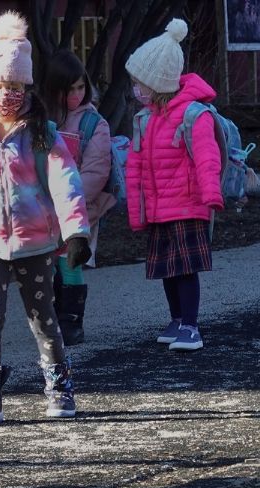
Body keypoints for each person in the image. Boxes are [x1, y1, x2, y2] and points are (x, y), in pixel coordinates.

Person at [0, 12, 92, 426]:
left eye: (13, 87)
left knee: (42, 317)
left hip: (37, 243)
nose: (5, 95)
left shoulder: (42, 132)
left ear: (26, 88)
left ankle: (59, 387)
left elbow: (65, 181)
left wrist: (77, 231)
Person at [125, 19, 223, 351]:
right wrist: (136, 209)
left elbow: (207, 156)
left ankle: (191, 325)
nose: (136, 90)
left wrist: (211, 193)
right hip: (159, 208)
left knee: (185, 269)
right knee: (167, 269)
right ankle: (178, 319)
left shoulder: (193, 114)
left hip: (187, 203)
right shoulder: (145, 118)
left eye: (141, 84)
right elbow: (135, 165)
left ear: (158, 83)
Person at [40, 49, 114, 345]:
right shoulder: (41, 118)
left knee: (69, 258)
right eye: (69, 89)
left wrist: (68, 201)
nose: (76, 94)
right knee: (45, 262)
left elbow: (96, 171)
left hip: (79, 204)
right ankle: (53, 315)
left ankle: (71, 320)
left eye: (80, 87)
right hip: (43, 205)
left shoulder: (94, 123)